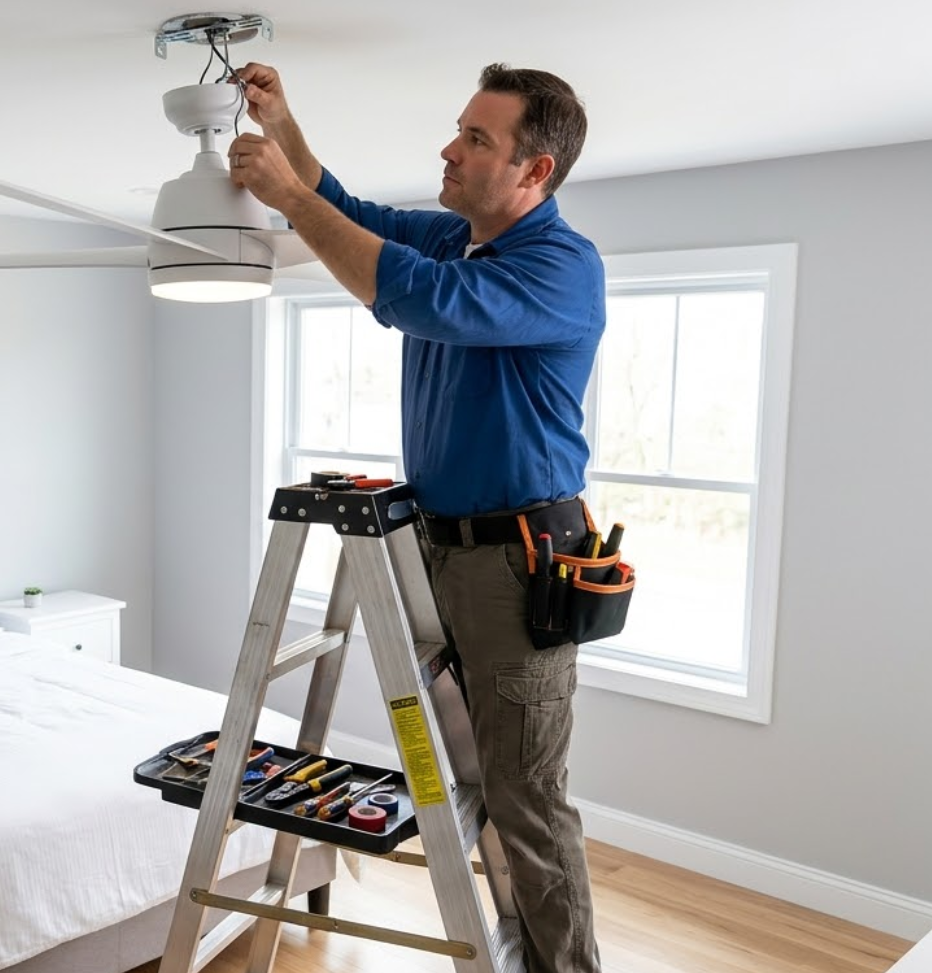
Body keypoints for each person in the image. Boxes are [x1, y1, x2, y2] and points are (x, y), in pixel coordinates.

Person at [227, 62, 605, 973]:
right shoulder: (455, 239)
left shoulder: (560, 266)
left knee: (529, 798)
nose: (450, 147)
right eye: (459, 129)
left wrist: (286, 195)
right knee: (476, 783)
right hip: (437, 550)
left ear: (534, 171)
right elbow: (345, 211)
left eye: (478, 139)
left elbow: (410, 295)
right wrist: (282, 127)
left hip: (520, 565)